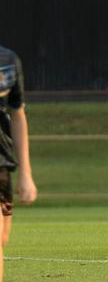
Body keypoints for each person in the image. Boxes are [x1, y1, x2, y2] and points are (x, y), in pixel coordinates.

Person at [0, 45, 38, 282]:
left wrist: (26, 173)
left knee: (2, 238)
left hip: (2, 163)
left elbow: (17, 114)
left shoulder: (8, 60)